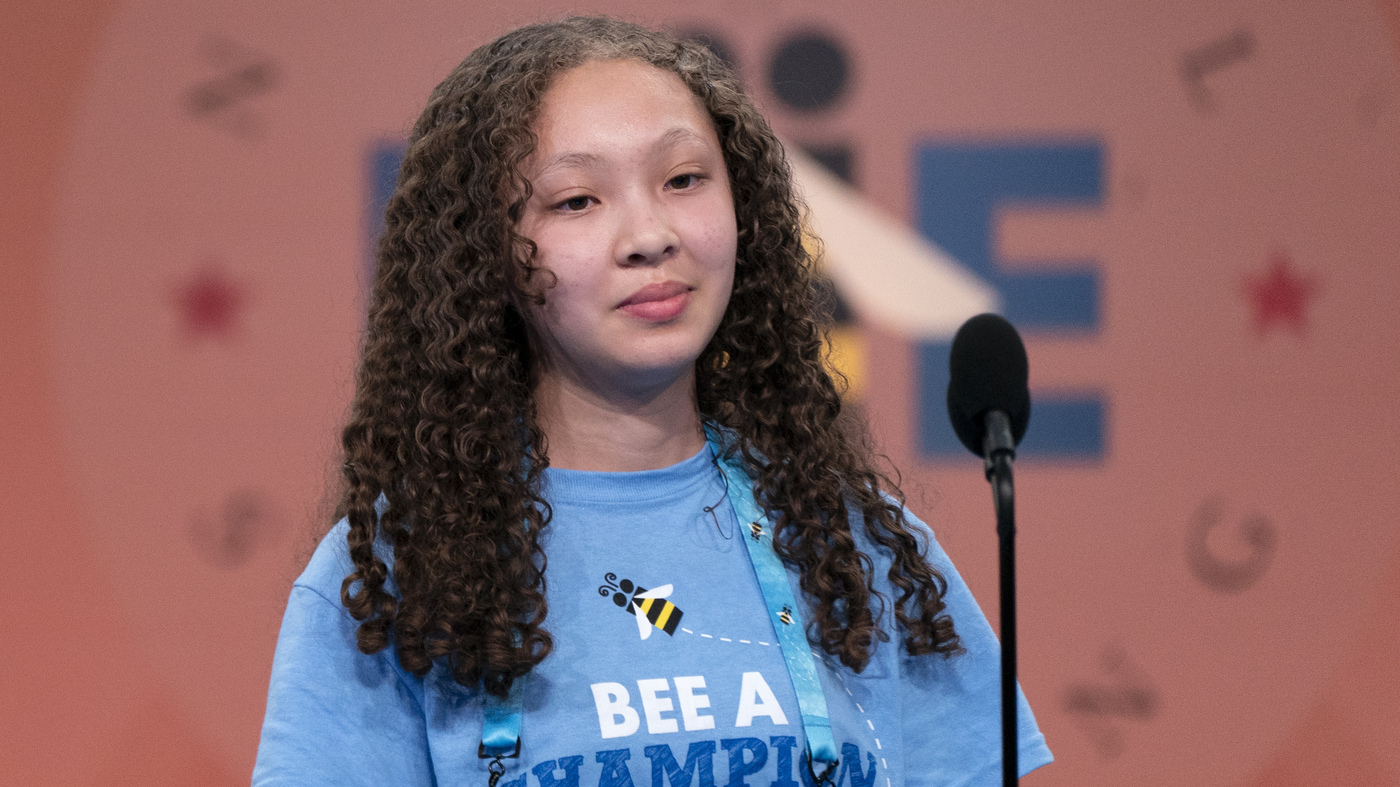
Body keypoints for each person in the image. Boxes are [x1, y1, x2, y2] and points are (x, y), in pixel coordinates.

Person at [253, 16, 1051, 787]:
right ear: (485, 256)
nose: (649, 234)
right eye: (576, 200)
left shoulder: (854, 543)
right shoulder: (398, 573)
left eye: (683, 180)